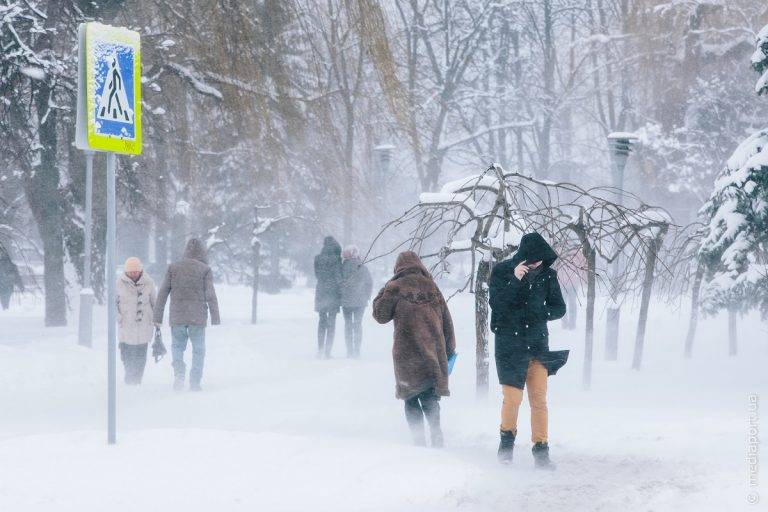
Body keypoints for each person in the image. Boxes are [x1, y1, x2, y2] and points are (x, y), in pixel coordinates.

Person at [489, 232, 568, 468]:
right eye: (533, 261)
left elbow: (559, 308)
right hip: (509, 346)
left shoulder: (548, 276)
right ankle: (506, 443)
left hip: (537, 345)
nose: (537, 265)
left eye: (540, 261)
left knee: (539, 400)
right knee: (512, 398)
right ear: (523, 257)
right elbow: (497, 305)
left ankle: (541, 451)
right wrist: (515, 280)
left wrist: (540, 314)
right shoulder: (502, 271)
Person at [372, 251, 456, 448]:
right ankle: (436, 436)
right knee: (429, 396)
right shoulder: (432, 287)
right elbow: (447, 322)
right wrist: (449, 350)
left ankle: (419, 442)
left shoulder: (394, 287)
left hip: (406, 355)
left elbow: (380, 315)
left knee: (411, 398)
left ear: (397, 268)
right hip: (432, 353)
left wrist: (385, 289)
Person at [154, 239, 220, 391]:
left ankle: (179, 373)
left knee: (177, 347)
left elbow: (163, 292)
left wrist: (158, 316)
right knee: (199, 350)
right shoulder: (205, 270)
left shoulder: (173, 268)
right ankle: (195, 381)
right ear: (202, 253)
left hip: (177, 317)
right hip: (197, 318)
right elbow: (210, 294)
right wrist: (215, 316)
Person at [116, 257, 156, 385]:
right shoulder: (119, 284)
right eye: (130, 272)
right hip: (126, 326)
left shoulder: (149, 282)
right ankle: (129, 379)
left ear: (140, 270)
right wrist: (119, 317)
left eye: (135, 271)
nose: (133, 274)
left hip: (144, 326)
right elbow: (113, 304)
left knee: (141, 356)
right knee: (127, 356)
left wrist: (156, 321)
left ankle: (137, 380)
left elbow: (154, 303)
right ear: (126, 272)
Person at [340, 245, 373, 358]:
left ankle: (349, 351)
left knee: (348, 325)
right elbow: (369, 282)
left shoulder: (343, 267)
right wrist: (367, 296)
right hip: (360, 301)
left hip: (346, 301)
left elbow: (339, 282)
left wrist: (341, 294)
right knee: (358, 325)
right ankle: (357, 351)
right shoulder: (362, 266)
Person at [314, 236, 342, 358]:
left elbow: (317, 275)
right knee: (331, 323)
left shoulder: (318, 258)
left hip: (321, 291)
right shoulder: (336, 259)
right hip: (333, 293)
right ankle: (327, 351)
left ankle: (320, 349)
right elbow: (338, 277)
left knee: (321, 321)